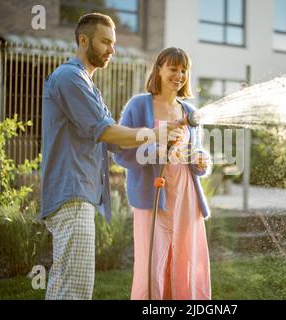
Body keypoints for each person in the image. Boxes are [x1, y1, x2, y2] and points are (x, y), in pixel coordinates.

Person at [41, 13, 177, 300]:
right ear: (83, 40)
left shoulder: (89, 85)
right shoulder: (70, 78)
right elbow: (106, 132)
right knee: (73, 289)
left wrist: (160, 149)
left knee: (67, 283)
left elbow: (117, 143)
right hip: (72, 193)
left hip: (79, 194)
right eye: (105, 42)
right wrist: (155, 135)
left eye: (113, 43)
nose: (111, 49)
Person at [114, 47, 212, 300]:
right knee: (152, 263)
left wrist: (201, 161)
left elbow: (195, 156)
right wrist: (155, 150)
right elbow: (120, 151)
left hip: (185, 196)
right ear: (159, 69)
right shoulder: (139, 105)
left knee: (186, 259)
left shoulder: (189, 111)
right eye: (173, 69)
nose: (178, 75)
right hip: (153, 195)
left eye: (183, 70)